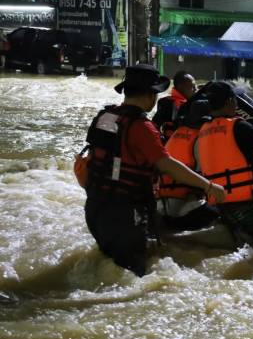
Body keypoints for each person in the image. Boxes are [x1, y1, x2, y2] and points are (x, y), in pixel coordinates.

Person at [81, 64, 225, 276]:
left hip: (94, 208)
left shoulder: (105, 117)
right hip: (123, 214)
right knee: (132, 278)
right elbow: (168, 166)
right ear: (150, 95)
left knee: (108, 271)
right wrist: (209, 186)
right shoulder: (142, 127)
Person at [196, 81, 253, 245]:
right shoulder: (239, 127)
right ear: (230, 102)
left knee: (242, 248)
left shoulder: (203, 130)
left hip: (220, 204)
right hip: (246, 203)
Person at [156, 99, 220, 232]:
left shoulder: (176, 134)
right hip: (181, 208)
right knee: (219, 213)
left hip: (160, 205)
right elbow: (207, 177)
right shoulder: (200, 139)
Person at [152, 70, 197, 140]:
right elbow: (156, 125)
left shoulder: (193, 103)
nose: (195, 89)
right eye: (192, 86)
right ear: (180, 87)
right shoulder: (167, 103)